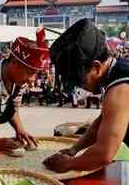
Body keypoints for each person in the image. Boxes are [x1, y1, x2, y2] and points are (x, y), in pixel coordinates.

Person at [43, 18, 129, 173]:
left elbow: (104, 154)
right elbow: (103, 121)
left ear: (96, 67)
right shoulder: (117, 71)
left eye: (80, 81)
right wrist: (74, 149)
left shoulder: (120, 89)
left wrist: (68, 164)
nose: (81, 87)